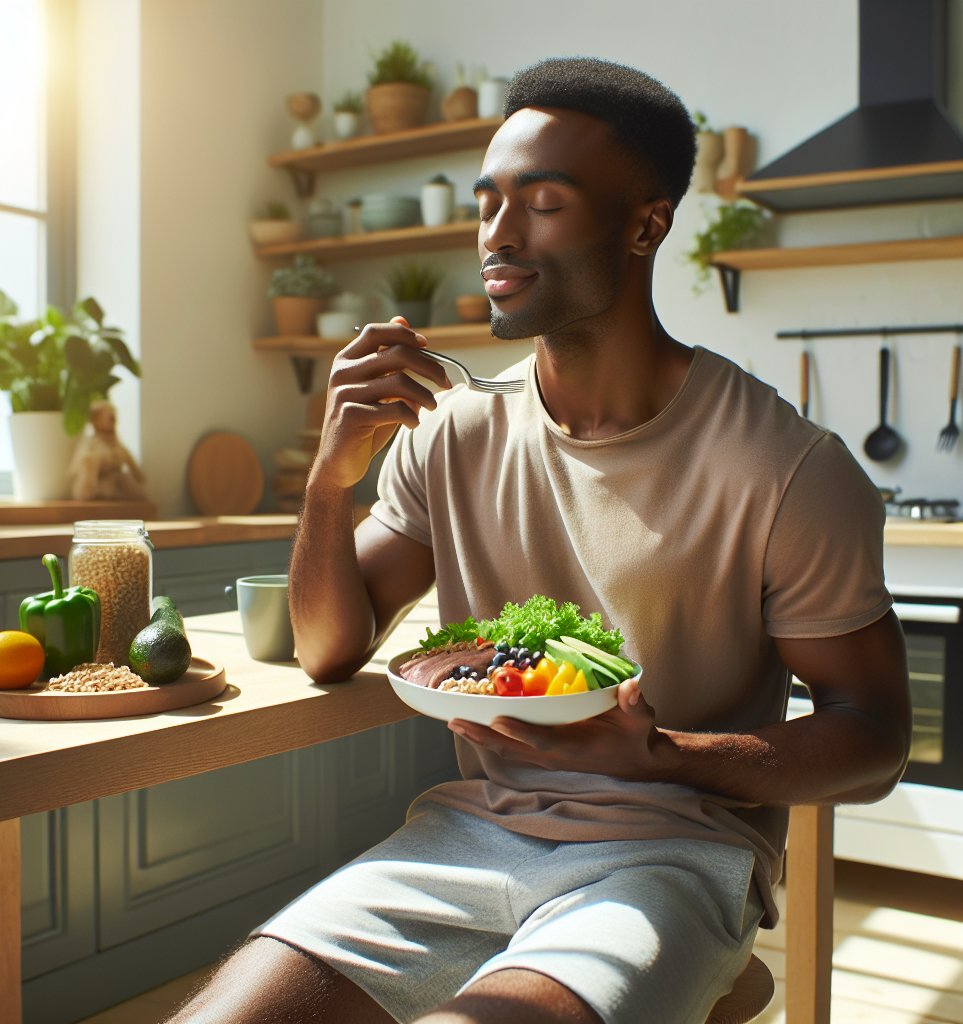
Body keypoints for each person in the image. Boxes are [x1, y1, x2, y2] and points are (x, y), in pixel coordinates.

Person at [170, 57, 910, 1024]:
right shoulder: (452, 432)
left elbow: (875, 740)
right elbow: (328, 645)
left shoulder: (786, 466)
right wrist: (328, 477)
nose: (497, 236)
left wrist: (662, 753)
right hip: (464, 838)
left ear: (646, 225)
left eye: (543, 203)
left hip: (673, 854)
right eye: (487, 204)